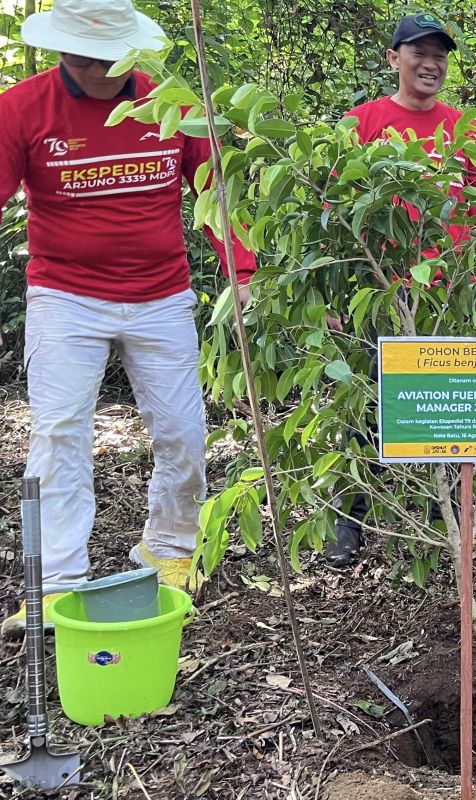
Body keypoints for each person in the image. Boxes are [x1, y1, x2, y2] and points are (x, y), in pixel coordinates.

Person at [0, 0, 255, 637]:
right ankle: (57, 583)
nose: (99, 72)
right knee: (58, 435)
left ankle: (169, 550)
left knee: (183, 430)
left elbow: (218, 191)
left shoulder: (170, 102)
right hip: (63, 297)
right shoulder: (21, 108)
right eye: (86, 59)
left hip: (162, 294)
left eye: (113, 60)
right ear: (62, 50)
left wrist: (243, 273)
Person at [324, 11, 476, 567]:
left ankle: (436, 518)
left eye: (440, 55)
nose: (431, 64)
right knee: (372, 404)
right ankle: (348, 518)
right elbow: (332, 211)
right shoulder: (363, 123)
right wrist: (335, 292)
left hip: (448, 294)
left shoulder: (463, 130)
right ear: (394, 58)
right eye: (418, 53)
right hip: (381, 289)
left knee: (446, 403)